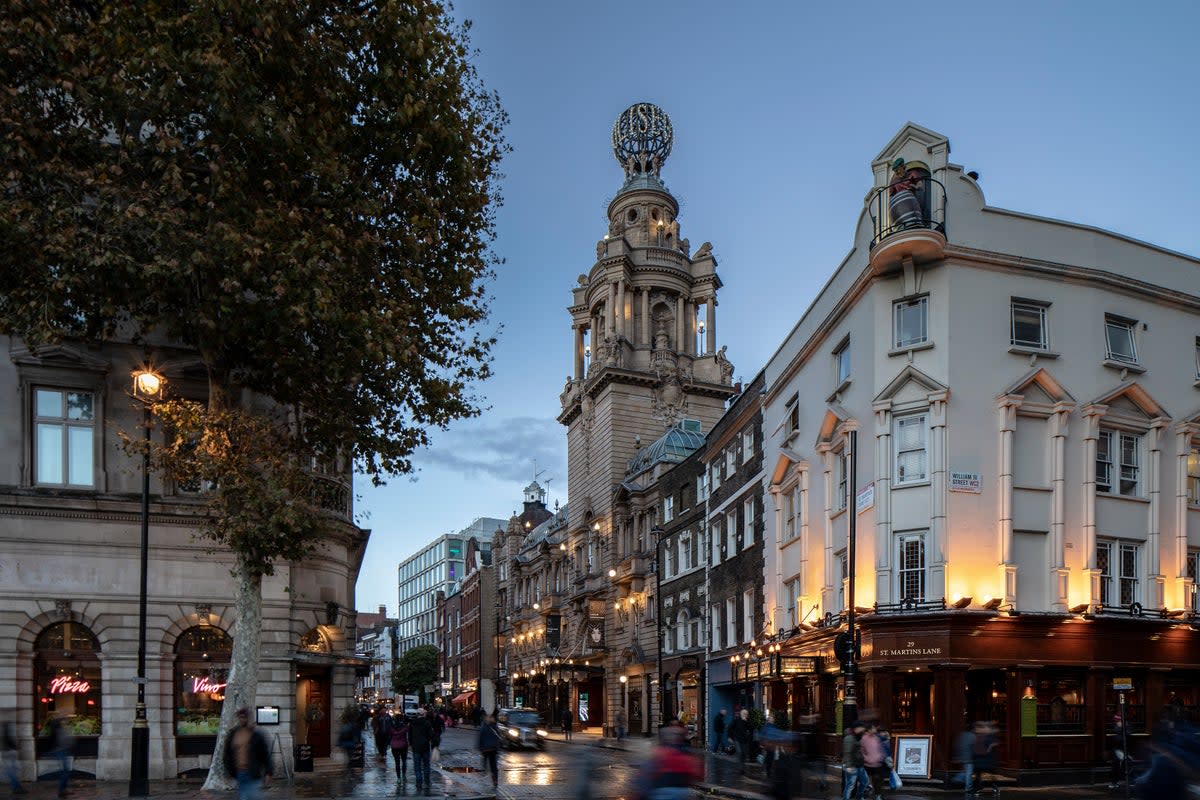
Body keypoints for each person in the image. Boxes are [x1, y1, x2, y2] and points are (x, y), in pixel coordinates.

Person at [631, 725, 702, 800]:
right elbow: (695, 774)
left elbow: (645, 776)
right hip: (682, 792)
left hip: (661, 793)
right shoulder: (687, 754)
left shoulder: (660, 753)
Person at [223, 707, 273, 800]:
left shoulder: (256, 735)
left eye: (244, 717)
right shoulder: (233, 734)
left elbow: (265, 755)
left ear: (248, 718)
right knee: (244, 797)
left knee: (252, 796)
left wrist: (268, 772)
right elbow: (228, 753)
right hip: (239, 773)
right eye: (240, 717)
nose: (242, 719)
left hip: (252, 773)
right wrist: (228, 770)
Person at [407, 707, 437, 793]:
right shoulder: (427, 723)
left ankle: (419, 782)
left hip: (416, 747)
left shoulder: (412, 723)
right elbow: (431, 735)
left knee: (417, 766)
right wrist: (434, 742)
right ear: (423, 714)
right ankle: (427, 782)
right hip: (425, 747)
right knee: (426, 765)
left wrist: (411, 743)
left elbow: (410, 736)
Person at [47, 711, 75, 799]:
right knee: (65, 771)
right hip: (59, 749)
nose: (64, 717)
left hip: (63, 749)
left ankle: (63, 789)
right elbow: (58, 736)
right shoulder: (55, 723)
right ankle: (61, 790)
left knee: (65, 770)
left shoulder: (58, 724)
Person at [969, 720, 998, 798]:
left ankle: (980, 788)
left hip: (984, 760)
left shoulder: (985, 737)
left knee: (982, 775)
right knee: (980, 775)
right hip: (982, 760)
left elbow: (985, 748)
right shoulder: (982, 736)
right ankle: (981, 788)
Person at [860, 722, 887, 799]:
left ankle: (878, 796)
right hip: (868, 764)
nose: (875, 729)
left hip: (878, 763)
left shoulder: (876, 737)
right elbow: (861, 751)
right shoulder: (864, 738)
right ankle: (864, 795)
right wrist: (867, 759)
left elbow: (880, 748)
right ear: (869, 730)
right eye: (873, 728)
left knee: (878, 781)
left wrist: (881, 756)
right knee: (867, 782)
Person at [2, 713, 26, 795]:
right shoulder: (7, 726)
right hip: (9, 751)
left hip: (6, 751)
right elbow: (8, 739)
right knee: (13, 771)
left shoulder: (6, 725)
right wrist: (15, 748)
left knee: (13, 771)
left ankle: (17, 787)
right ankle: (16, 788)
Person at [841, 721, 867, 800]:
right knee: (850, 785)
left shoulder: (858, 736)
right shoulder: (849, 738)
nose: (863, 730)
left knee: (864, 782)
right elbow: (847, 752)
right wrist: (848, 766)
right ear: (856, 728)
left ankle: (859, 797)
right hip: (852, 766)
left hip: (859, 764)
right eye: (861, 728)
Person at [477, 714, 501, 790]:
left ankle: (484, 771)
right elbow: (499, 738)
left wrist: (480, 748)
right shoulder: (495, 727)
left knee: (485, 761)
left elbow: (480, 738)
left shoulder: (483, 727)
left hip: (485, 749)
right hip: (493, 749)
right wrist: (498, 747)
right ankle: (495, 780)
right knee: (493, 766)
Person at [728, 708, 753, 773]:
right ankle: (740, 768)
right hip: (737, 739)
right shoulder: (736, 720)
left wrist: (746, 721)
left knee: (744, 754)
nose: (745, 715)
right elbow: (730, 728)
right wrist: (729, 737)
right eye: (744, 713)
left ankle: (742, 767)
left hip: (745, 740)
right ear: (741, 714)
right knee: (740, 752)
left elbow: (751, 729)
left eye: (746, 714)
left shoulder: (748, 721)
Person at [389, 712, 411, 783]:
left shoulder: (392, 726)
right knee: (404, 761)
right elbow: (408, 735)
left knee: (397, 762)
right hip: (403, 745)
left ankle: (398, 778)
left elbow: (389, 736)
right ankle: (403, 775)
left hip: (394, 746)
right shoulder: (405, 726)